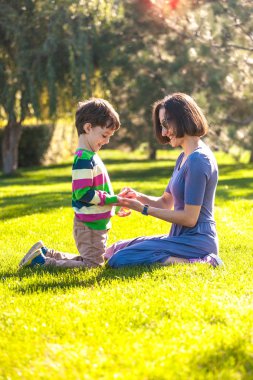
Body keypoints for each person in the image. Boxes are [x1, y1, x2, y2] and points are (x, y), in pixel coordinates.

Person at [105, 93, 223, 268]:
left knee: (120, 259)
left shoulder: (199, 160)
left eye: (166, 124)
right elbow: (165, 202)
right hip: (179, 237)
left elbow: (190, 218)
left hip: (196, 241)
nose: (164, 133)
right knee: (113, 250)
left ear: (183, 118)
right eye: (161, 126)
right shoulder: (184, 157)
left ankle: (204, 261)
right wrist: (136, 197)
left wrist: (143, 209)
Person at [19, 98, 129, 269]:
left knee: (91, 261)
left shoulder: (89, 156)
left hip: (94, 224)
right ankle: (42, 263)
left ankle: (46, 253)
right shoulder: (83, 160)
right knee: (93, 265)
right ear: (88, 128)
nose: (107, 141)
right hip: (90, 226)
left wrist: (116, 200)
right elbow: (83, 193)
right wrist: (112, 199)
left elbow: (98, 190)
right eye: (104, 135)